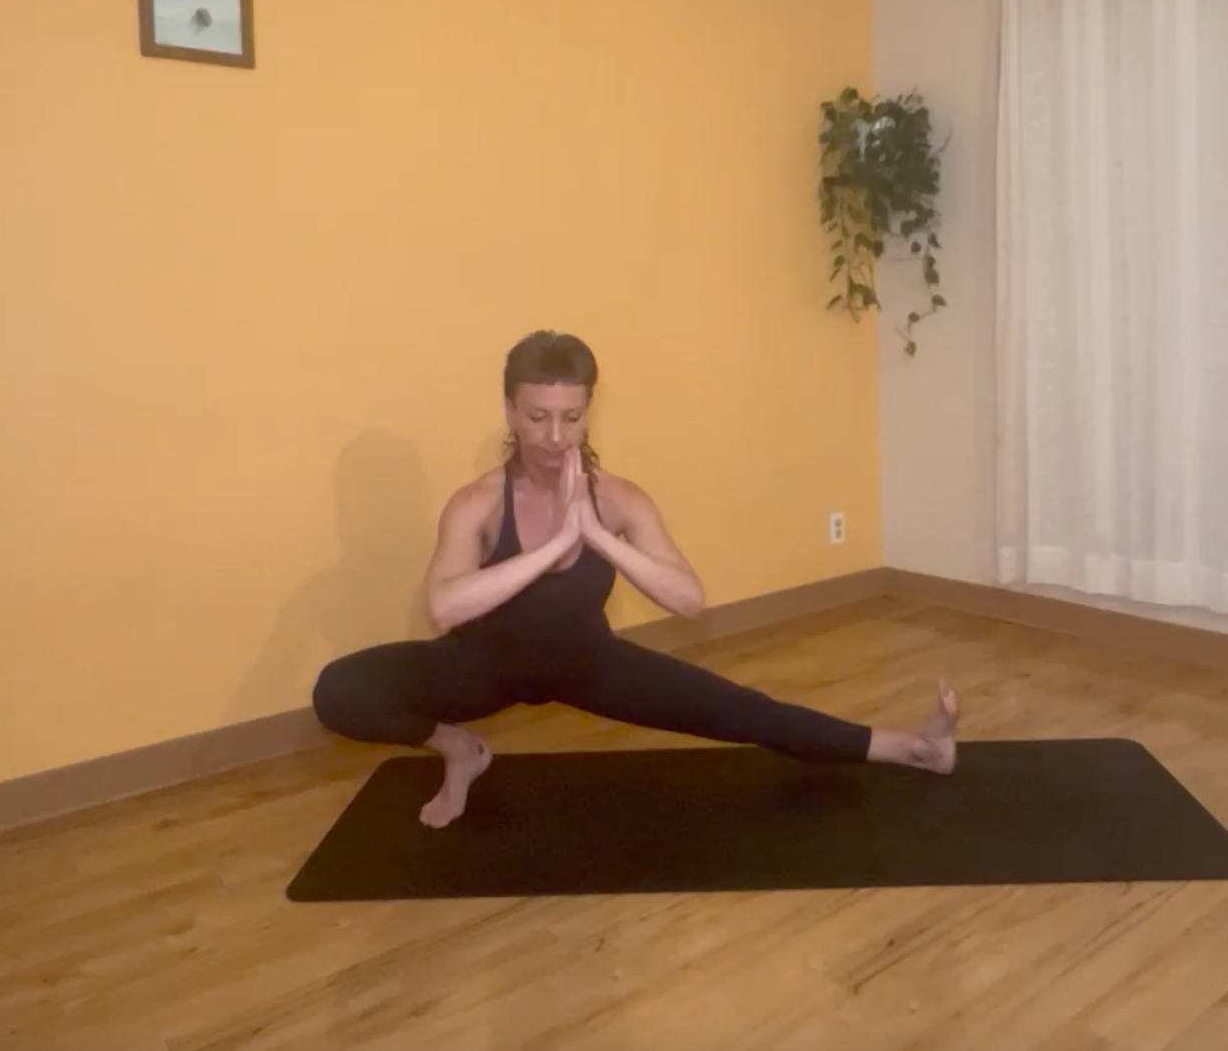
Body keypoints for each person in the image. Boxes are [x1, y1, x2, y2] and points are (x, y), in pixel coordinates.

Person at [312, 330, 960, 827]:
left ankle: (911, 748)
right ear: (510, 411)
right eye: (538, 416)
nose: (555, 435)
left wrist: (595, 537)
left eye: (571, 416)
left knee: (746, 711)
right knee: (340, 691)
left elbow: (690, 601)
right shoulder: (478, 502)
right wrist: (554, 548)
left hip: (590, 665)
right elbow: (444, 609)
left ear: (589, 411)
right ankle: (460, 750)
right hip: (485, 665)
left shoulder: (620, 498)